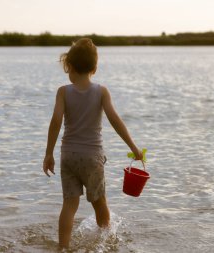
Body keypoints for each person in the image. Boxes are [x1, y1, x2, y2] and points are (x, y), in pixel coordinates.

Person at [42, 38, 143, 249]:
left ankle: (63, 247)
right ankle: (107, 243)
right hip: (92, 157)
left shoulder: (63, 91)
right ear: (94, 67)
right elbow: (115, 120)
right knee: (99, 202)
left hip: (68, 155)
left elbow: (55, 122)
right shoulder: (101, 91)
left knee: (69, 205)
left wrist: (48, 153)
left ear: (69, 66)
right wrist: (133, 148)